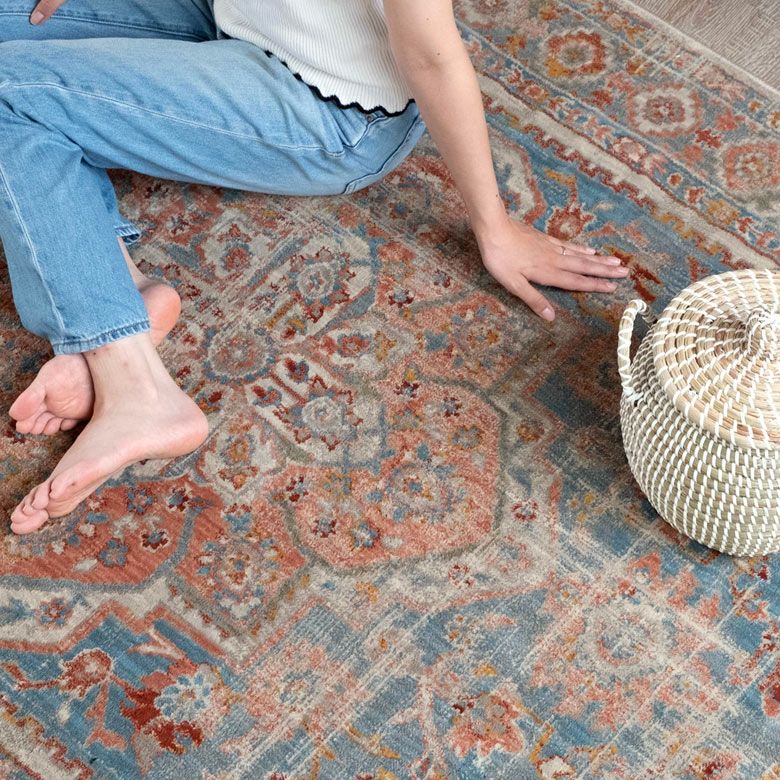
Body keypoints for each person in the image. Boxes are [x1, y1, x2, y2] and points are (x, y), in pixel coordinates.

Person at [2, 0, 629, 534]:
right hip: (229, 13)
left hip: (324, 104)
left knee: (9, 95)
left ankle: (132, 382)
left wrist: (495, 227)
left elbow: (432, 56)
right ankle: (120, 287)